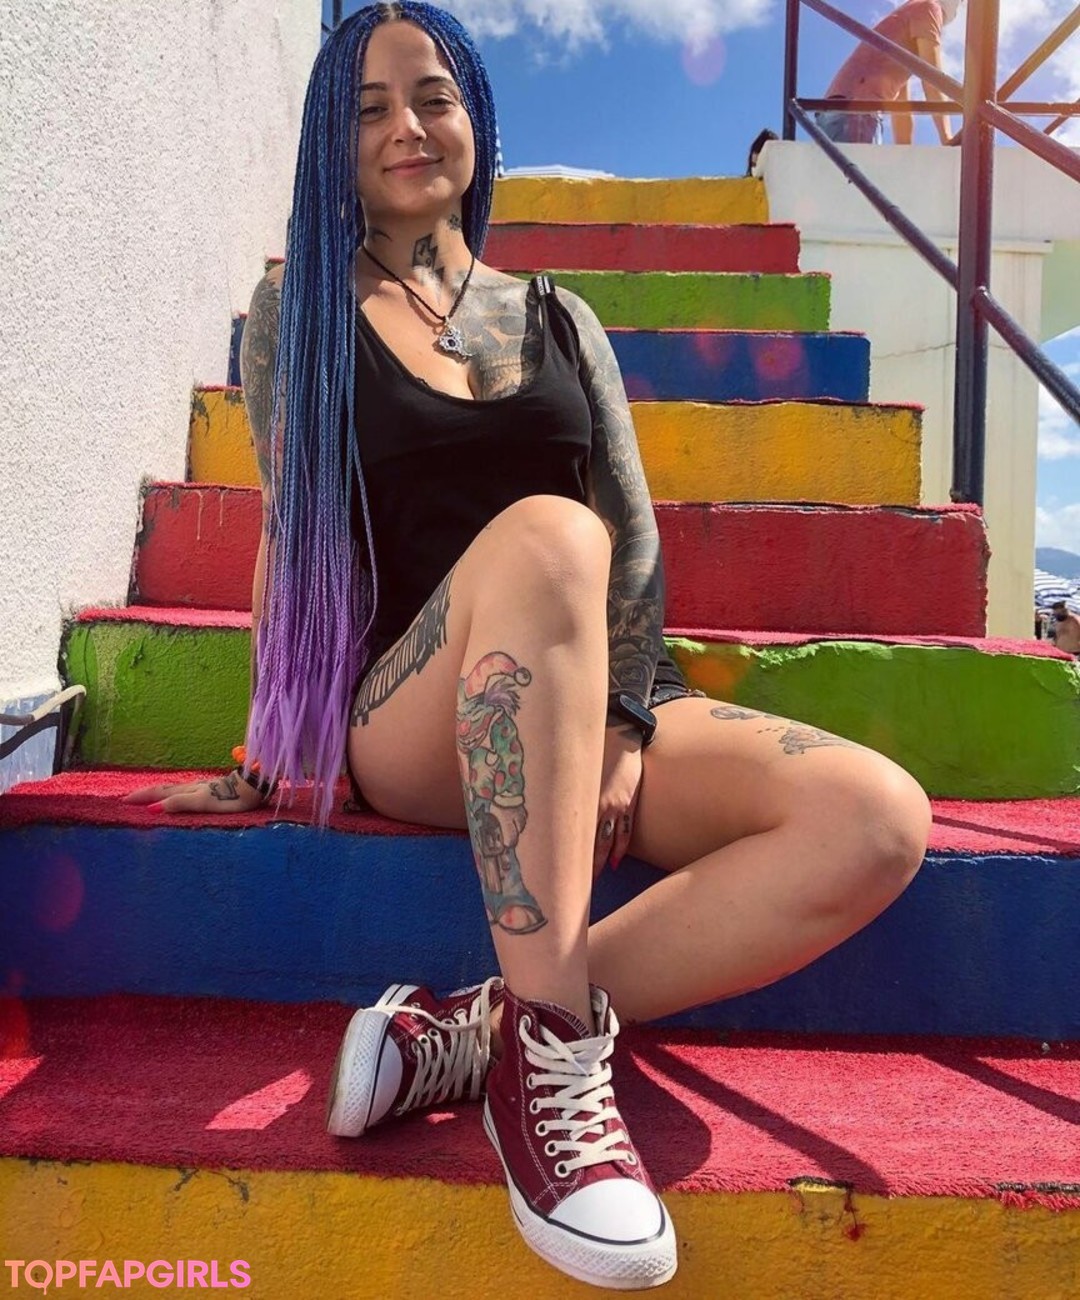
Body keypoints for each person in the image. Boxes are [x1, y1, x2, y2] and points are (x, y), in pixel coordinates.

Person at [124, 3, 932, 1289]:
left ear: (477, 120)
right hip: (412, 708)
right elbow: (297, 537)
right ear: (331, 145)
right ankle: (554, 1069)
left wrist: (624, 725)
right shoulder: (302, 310)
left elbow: (637, 543)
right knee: (552, 536)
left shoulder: (561, 319)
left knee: (876, 818)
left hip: (597, 695)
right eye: (368, 108)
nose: (406, 127)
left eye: (432, 97)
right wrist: (265, 745)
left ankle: (477, 1029)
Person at [816, 0, 963, 146]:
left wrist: (905, 149)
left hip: (835, 113)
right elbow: (934, 79)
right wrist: (946, 136)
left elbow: (902, 107)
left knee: (839, 161)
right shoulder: (930, 7)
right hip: (856, 112)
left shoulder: (904, 26)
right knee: (850, 163)